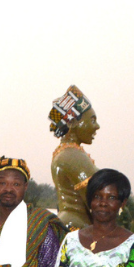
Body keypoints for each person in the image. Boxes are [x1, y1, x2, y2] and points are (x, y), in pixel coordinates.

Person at [49, 85, 100, 229]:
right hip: (78, 227)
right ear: (72, 122)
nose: (97, 126)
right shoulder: (73, 156)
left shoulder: (64, 153)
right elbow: (98, 203)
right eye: (92, 120)